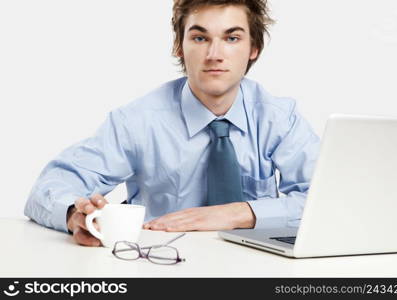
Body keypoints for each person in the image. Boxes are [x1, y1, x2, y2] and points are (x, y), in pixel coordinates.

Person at [24, 0, 320, 247]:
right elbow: (50, 188)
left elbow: (325, 200)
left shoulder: (279, 118)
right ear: (179, 47)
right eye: (200, 38)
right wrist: (74, 215)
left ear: (253, 48)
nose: (214, 55)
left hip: (259, 272)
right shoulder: (137, 121)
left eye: (232, 38)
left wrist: (241, 213)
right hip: (161, 265)